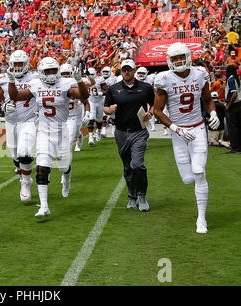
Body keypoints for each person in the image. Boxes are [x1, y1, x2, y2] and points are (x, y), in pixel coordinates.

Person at [8, 57, 89, 218]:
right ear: (41, 73)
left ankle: (66, 180)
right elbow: (16, 96)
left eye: (53, 70)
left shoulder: (66, 84)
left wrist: (80, 81)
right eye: (47, 71)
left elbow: (82, 95)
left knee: (64, 166)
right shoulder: (36, 85)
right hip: (43, 131)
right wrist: (11, 81)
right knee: (42, 168)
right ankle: (44, 206)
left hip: (61, 130)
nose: (51, 74)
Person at [153, 42, 221, 233]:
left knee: (199, 171)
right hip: (178, 133)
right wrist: (176, 128)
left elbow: (207, 100)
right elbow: (157, 111)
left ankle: (201, 219)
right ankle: (199, 204)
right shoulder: (164, 79)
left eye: (182, 56)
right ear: (169, 60)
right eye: (174, 58)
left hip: (198, 128)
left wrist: (213, 113)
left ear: (189, 56)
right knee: (187, 179)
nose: (179, 61)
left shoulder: (199, 73)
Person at [104, 59, 155, 212]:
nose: (126, 72)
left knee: (137, 164)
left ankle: (142, 195)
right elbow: (105, 108)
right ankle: (132, 196)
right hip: (121, 132)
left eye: (129, 69)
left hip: (139, 131)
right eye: (124, 69)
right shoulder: (113, 89)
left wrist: (150, 113)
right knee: (127, 167)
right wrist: (110, 109)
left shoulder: (145, 88)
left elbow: (154, 104)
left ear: (134, 70)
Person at [0, 50, 38, 202]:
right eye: (15, 64)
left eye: (20, 64)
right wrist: (0, 107)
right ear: (10, 64)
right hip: (11, 122)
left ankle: (25, 184)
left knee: (25, 152)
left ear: (26, 64)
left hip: (29, 120)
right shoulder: (3, 79)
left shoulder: (36, 78)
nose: (17, 67)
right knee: (16, 157)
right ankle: (24, 175)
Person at [86, 67, 110, 145]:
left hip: (100, 101)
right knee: (91, 118)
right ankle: (90, 137)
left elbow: (107, 91)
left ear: (95, 74)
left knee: (99, 120)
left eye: (92, 74)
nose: (91, 76)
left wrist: (101, 93)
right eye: (89, 75)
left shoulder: (100, 80)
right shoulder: (84, 81)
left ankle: (99, 131)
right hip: (91, 101)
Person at [225, 65, 241, 154]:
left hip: (233, 105)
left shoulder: (230, 79)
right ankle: (239, 147)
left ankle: (235, 147)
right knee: (238, 127)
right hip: (239, 104)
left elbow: (234, 94)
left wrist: (228, 106)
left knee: (232, 128)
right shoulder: (237, 78)